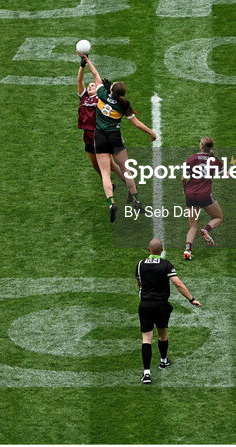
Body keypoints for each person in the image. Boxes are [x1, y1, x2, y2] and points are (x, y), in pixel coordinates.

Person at [79, 51, 156, 222]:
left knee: (105, 173)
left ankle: (111, 203)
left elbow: (95, 74)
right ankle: (136, 200)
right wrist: (151, 132)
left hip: (100, 138)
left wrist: (86, 59)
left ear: (111, 90)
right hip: (115, 139)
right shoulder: (123, 104)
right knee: (127, 171)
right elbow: (136, 123)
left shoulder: (101, 94)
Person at [135, 238, 201, 384]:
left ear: (149, 249)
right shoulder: (166, 265)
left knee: (146, 338)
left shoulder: (140, 265)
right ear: (162, 250)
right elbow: (177, 283)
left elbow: (139, 283)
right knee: (162, 333)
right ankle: (163, 360)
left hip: (145, 304)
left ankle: (146, 373)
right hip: (161, 305)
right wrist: (191, 299)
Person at [76, 61, 139, 202]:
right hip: (87, 137)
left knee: (110, 166)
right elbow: (79, 80)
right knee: (96, 166)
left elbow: (108, 93)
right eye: (89, 85)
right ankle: (116, 186)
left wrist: (105, 88)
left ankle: (128, 188)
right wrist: (82, 66)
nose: (91, 85)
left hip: (100, 135)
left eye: (93, 85)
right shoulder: (84, 97)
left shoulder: (101, 97)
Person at [180, 137, 228, 260]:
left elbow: (183, 178)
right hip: (205, 194)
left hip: (191, 194)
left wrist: (185, 189)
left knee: (193, 226)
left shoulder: (191, 159)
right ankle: (206, 230)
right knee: (218, 218)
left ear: (201, 145)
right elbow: (226, 175)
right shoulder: (215, 160)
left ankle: (187, 251)